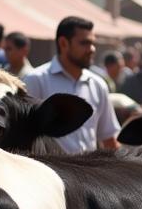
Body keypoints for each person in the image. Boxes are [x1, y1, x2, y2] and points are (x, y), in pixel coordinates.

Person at [24, 16, 119, 153]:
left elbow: (109, 140)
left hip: (89, 172)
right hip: (49, 173)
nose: (92, 49)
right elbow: (24, 136)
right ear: (63, 43)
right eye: (85, 43)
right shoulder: (36, 80)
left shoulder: (98, 85)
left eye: (93, 43)